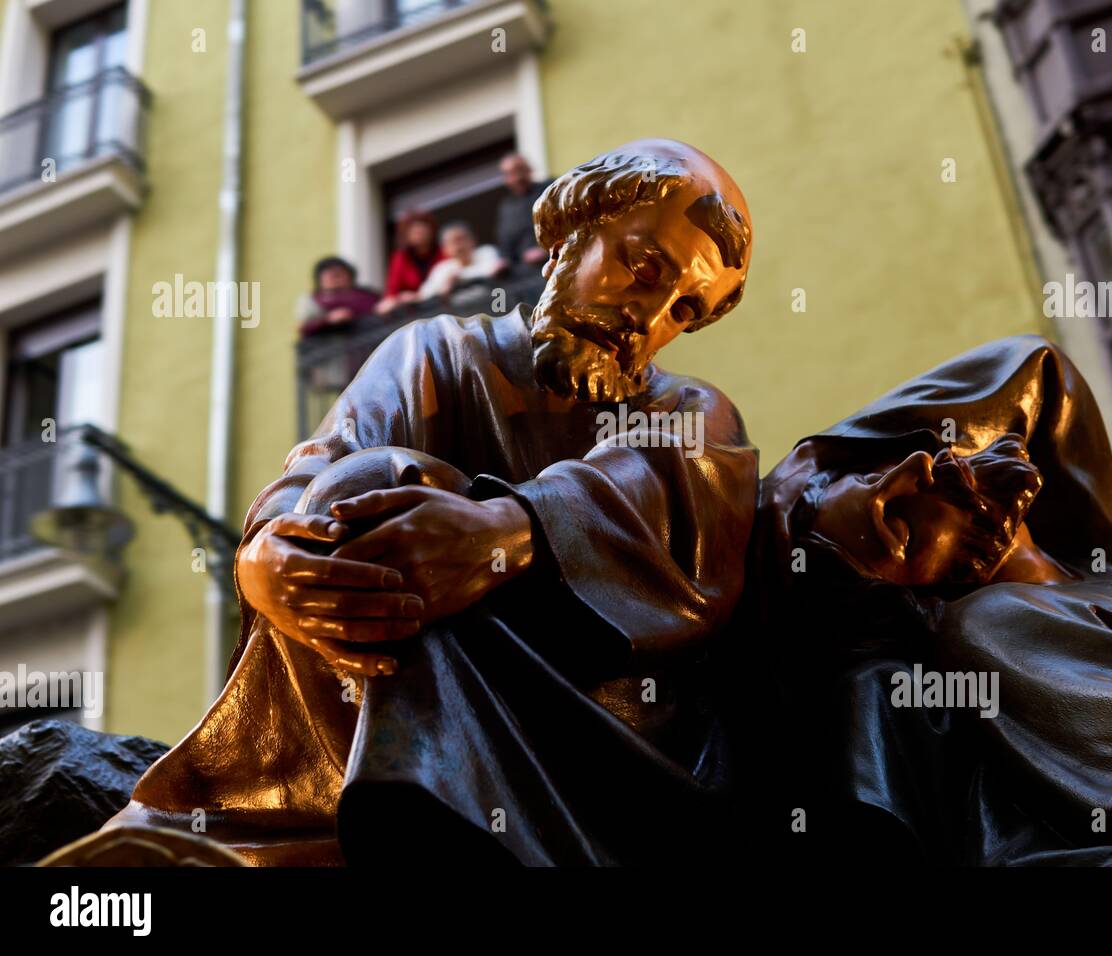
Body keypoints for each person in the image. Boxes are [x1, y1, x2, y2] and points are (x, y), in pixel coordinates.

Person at [98, 140, 756, 867]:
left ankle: (419, 817)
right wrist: (265, 560)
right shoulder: (432, 356)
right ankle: (393, 812)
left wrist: (508, 532)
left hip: (599, 746)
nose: (650, 315)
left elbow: (669, 512)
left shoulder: (689, 414)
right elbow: (324, 464)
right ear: (573, 229)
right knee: (367, 484)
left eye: (684, 309)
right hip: (376, 695)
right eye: (643, 266)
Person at [751, 336, 1112, 865]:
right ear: (919, 597)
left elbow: (1037, 366)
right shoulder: (995, 623)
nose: (918, 465)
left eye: (876, 472)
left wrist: (824, 456)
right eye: (895, 519)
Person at [417, 222, 507, 301]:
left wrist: (457, 278)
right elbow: (425, 294)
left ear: (473, 239)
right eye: (453, 241)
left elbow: (492, 271)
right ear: (444, 249)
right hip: (462, 315)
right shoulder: (442, 268)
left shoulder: (486, 251)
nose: (459, 245)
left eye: (462, 239)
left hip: (494, 305)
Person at [375, 209, 440, 315]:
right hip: (413, 313)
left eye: (423, 228)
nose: (419, 232)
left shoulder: (442, 252)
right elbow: (392, 289)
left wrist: (418, 296)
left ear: (432, 231)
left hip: (440, 305)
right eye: (414, 230)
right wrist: (393, 300)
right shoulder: (401, 258)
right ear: (406, 235)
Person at [295, 256, 380, 336]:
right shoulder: (312, 300)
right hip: (326, 347)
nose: (336, 278)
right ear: (320, 279)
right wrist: (328, 320)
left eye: (339, 274)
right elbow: (302, 327)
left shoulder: (367, 296)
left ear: (350, 276)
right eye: (330, 275)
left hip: (366, 341)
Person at [495, 152, 551, 269]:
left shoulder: (550, 189)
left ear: (529, 169)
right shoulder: (507, 208)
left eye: (520, 170)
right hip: (526, 272)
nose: (517, 177)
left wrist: (546, 250)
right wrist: (503, 262)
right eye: (510, 173)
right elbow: (506, 245)